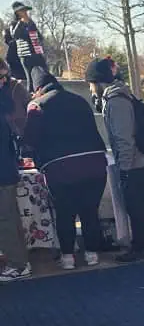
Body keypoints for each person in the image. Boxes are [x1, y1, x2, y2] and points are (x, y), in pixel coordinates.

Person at [23, 69, 107, 270]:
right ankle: (92, 254)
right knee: (90, 212)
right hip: (95, 164)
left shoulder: (37, 105)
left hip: (61, 168)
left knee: (65, 213)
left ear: (38, 88)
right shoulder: (79, 100)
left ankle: (68, 257)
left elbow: (30, 140)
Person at [86, 57, 144, 263]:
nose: (90, 89)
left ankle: (141, 247)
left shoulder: (116, 101)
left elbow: (124, 138)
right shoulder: (124, 95)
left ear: (98, 82)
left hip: (134, 164)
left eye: (91, 84)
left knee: (136, 208)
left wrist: (124, 169)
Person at [0, 67, 30, 282]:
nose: (3, 81)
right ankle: (20, 261)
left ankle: (17, 264)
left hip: (3, 171)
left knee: (6, 220)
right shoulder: (5, 103)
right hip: (7, 169)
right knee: (10, 218)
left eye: (3, 77)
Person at [9, 2, 47, 92]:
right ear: (17, 13)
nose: (25, 12)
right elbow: (14, 35)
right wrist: (21, 23)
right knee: (30, 78)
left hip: (36, 52)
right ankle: (30, 95)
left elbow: (39, 36)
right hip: (25, 54)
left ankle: (44, 92)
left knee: (44, 73)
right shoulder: (14, 23)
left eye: (25, 10)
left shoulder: (31, 22)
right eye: (22, 10)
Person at [0, 56, 29, 138]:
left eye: (6, 75)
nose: (5, 80)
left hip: (15, 138)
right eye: (0, 77)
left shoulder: (16, 88)